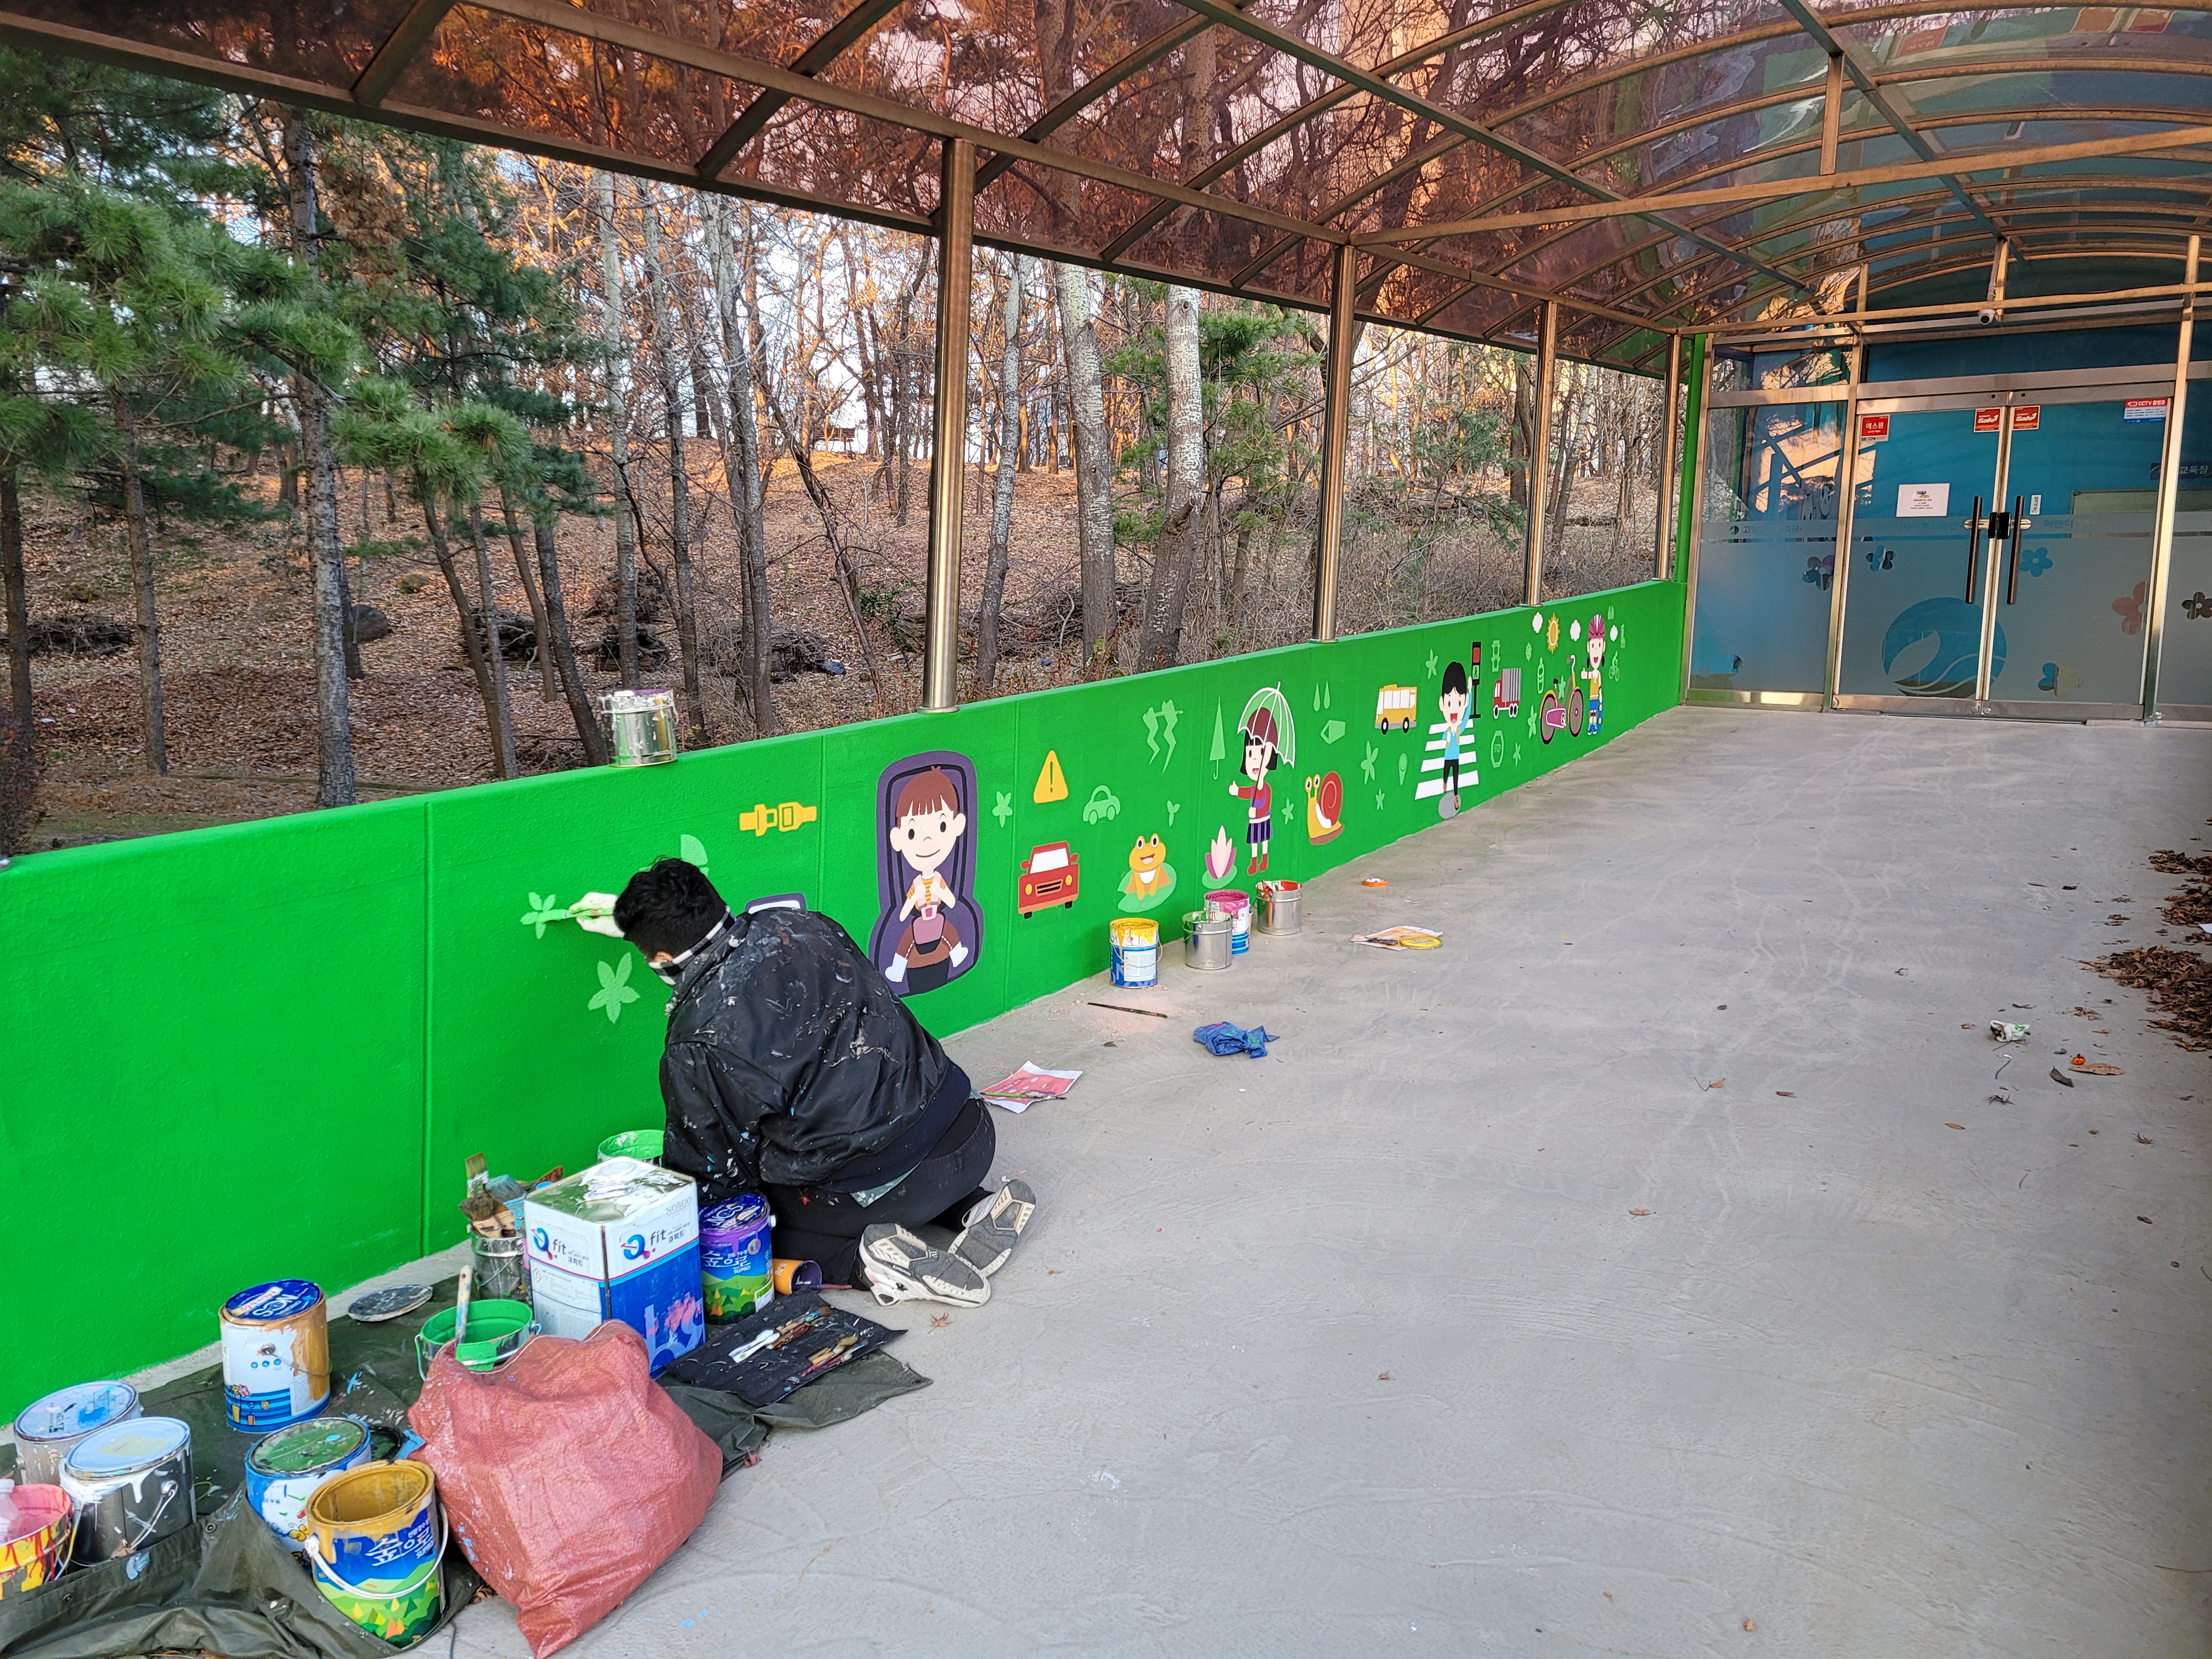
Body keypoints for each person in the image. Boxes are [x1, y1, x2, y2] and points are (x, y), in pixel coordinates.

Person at [611, 857, 1035, 1306]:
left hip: (889, 1192)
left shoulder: (696, 1037)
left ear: (661, 960)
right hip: (969, 1132)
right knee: (883, 1126)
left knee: (740, 1231)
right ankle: (973, 1205)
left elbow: (713, 1174)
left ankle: (867, 1263)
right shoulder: (801, 923)